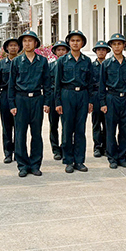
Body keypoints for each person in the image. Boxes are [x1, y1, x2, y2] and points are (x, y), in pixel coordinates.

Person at [9, 30, 51, 177]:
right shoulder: (16, 61)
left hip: (37, 100)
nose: (27, 43)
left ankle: (35, 164)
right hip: (21, 100)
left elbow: (47, 83)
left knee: (36, 133)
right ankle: (22, 165)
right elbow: (11, 85)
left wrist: (47, 102)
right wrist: (12, 104)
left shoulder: (43, 61)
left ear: (35, 43)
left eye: (30, 40)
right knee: (20, 134)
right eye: (25, 41)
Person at [55, 30, 93, 173]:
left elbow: (90, 83)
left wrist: (89, 101)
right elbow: (57, 83)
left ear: (82, 43)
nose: (75, 43)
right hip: (67, 95)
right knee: (67, 129)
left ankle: (79, 161)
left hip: (82, 95)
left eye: (78, 40)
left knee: (80, 130)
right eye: (72, 41)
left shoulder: (87, 61)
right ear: (68, 43)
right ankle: (68, 160)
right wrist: (58, 102)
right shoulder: (62, 61)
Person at [99, 33, 126, 169]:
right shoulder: (107, 64)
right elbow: (101, 85)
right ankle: (112, 158)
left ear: (124, 45)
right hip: (111, 98)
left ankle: (122, 157)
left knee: (125, 130)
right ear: (111, 46)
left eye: (119, 44)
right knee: (110, 130)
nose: (117, 46)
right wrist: (103, 103)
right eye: (114, 44)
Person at [0, 37, 21, 164]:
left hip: (19, 96)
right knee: (6, 126)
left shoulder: (21, 62)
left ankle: (18, 152)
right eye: (10, 45)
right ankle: (8, 153)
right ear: (6, 48)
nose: (13, 47)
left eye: (15, 45)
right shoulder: (0, 64)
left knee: (19, 126)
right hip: (5, 95)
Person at [49, 41, 69, 160]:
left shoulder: (68, 65)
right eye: (58, 50)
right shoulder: (50, 66)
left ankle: (65, 147)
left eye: (63, 49)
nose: (61, 52)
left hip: (65, 96)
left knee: (66, 124)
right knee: (53, 124)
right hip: (52, 96)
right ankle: (56, 149)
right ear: (55, 52)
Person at [90, 40, 110, 158]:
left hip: (108, 95)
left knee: (108, 123)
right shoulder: (92, 66)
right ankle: (97, 146)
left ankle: (107, 147)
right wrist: (90, 101)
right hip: (96, 95)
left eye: (103, 49)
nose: (101, 52)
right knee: (96, 123)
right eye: (98, 50)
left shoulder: (109, 64)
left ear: (107, 51)